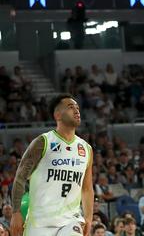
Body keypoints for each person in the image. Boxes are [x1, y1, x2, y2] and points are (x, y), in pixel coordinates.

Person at [9, 94, 94, 236]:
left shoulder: (86, 148)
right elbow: (20, 177)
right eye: (70, 107)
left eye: (77, 108)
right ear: (58, 115)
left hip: (70, 220)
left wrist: (89, 218)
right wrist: (16, 212)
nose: (76, 110)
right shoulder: (43, 142)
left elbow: (86, 188)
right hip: (40, 223)